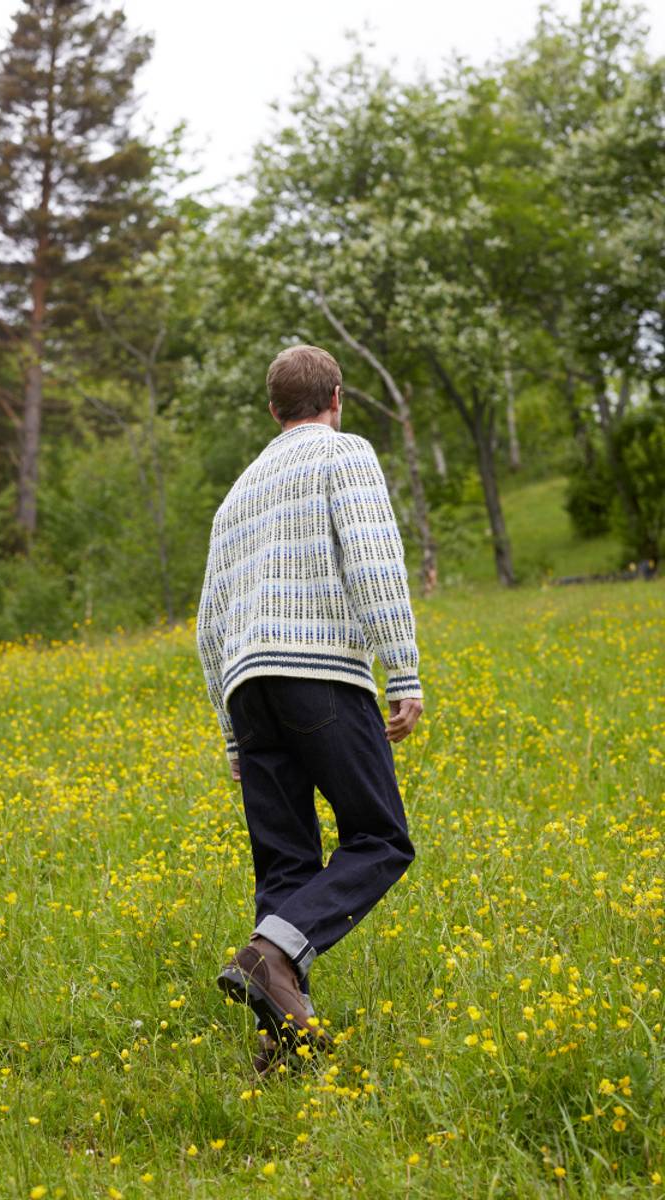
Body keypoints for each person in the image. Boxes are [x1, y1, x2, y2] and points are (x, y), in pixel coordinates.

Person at [196, 344, 424, 1073]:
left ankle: (283, 1045)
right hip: (319, 673)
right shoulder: (344, 453)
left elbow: (208, 622)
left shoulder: (237, 493)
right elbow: (374, 556)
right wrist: (404, 669)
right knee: (381, 838)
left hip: (247, 687)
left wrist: (233, 735)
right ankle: (267, 958)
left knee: (287, 866)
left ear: (272, 410)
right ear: (337, 395)